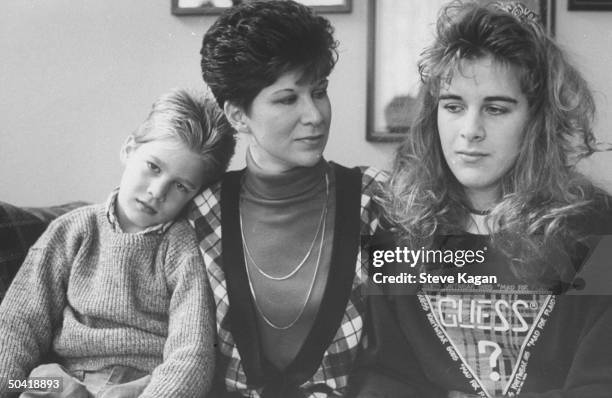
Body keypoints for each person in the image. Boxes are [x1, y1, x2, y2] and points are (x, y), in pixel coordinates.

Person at [355, 1, 612, 397]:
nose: (470, 130)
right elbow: (383, 378)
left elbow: (600, 384)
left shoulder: (597, 229)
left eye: (495, 108)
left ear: (536, 119)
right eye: (454, 106)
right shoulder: (397, 229)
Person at [190, 1, 386, 396]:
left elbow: (406, 355)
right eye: (286, 99)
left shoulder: (376, 201)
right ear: (238, 115)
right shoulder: (199, 214)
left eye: (319, 92)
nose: (314, 115)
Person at [0, 89, 235, 397]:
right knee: (36, 383)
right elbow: (19, 322)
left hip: (143, 385)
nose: (157, 191)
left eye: (180, 186)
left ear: (196, 194)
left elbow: (191, 352)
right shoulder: (71, 230)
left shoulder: (183, 248)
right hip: (63, 378)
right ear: (128, 150)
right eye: (153, 167)